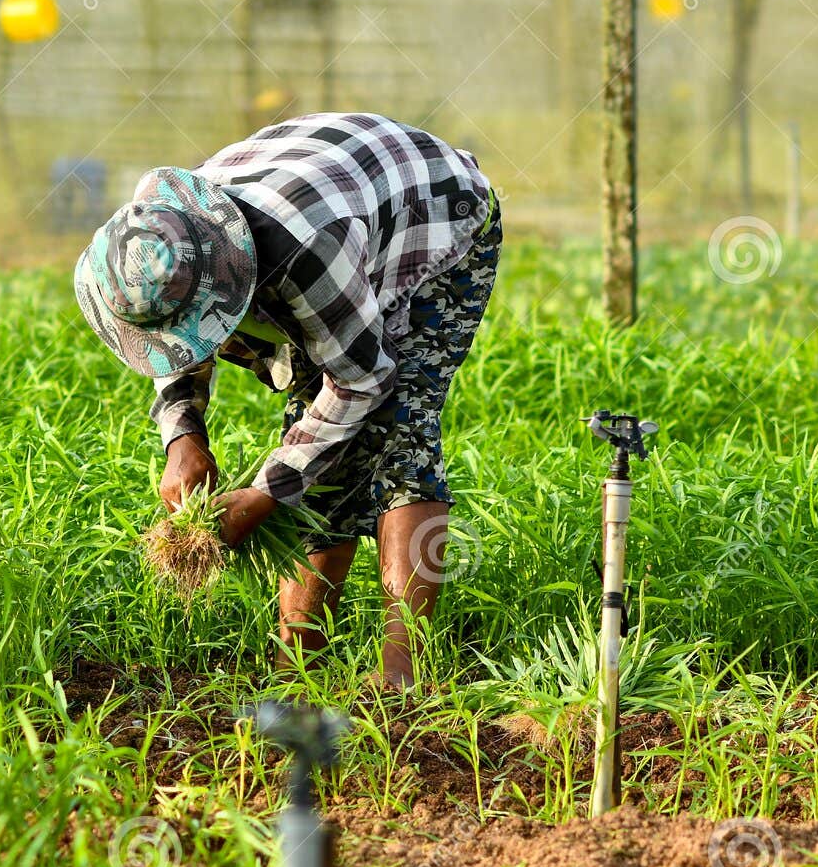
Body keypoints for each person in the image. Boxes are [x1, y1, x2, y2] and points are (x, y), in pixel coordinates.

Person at [74, 113, 501, 687]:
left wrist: (264, 493)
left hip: (434, 216)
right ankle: (299, 663)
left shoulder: (306, 250)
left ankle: (402, 676)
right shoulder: (154, 236)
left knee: (402, 427)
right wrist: (183, 434)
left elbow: (361, 380)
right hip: (334, 194)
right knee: (312, 433)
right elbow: (174, 337)